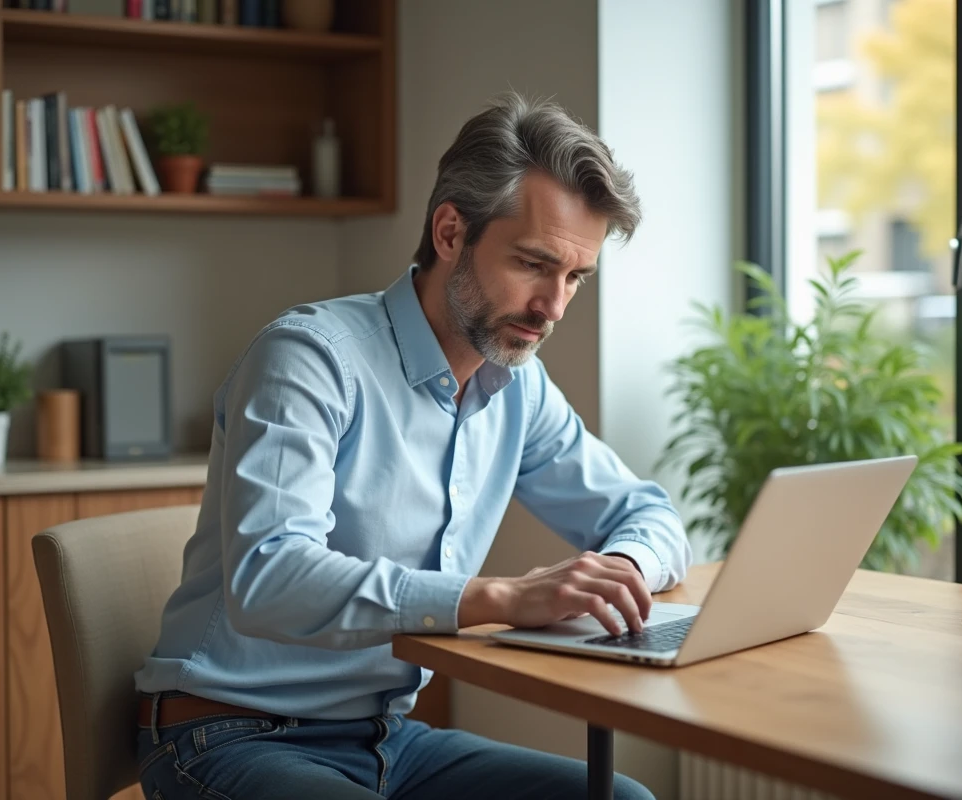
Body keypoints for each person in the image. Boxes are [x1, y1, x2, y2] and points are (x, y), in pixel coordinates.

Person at [134, 91, 692, 800]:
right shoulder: (309, 359)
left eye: (575, 277)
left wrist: (616, 569)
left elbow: (651, 516)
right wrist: (499, 597)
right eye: (533, 264)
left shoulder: (517, 387)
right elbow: (269, 577)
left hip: (387, 738)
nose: (553, 307)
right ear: (452, 231)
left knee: (622, 799)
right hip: (226, 734)